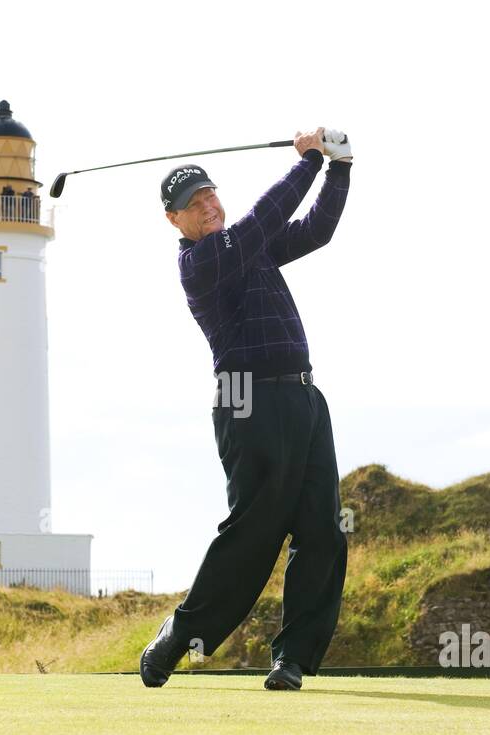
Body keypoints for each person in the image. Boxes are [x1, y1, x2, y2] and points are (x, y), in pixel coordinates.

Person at [141, 127, 353, 691]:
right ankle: (178, 638)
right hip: (244, 395)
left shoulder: (248, 247)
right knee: (255, 532)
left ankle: (293, 659)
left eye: (210, 194)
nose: (207, 205)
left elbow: (316, 230)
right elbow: (264, 219)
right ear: (175, 221)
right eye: (193, 203)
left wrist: (339, 169)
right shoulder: (203, 262)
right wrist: (307, 161)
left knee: (322, 531)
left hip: (303, 394)